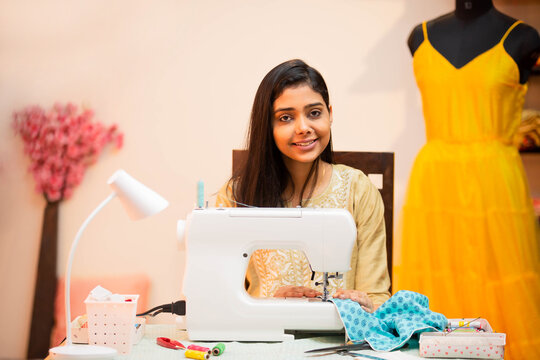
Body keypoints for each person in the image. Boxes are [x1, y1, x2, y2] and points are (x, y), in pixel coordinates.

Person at [395, 1, 540, 359]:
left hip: (494, 181)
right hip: (436, 181)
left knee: (497, 277)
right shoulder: (419, 37)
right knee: (436, 275)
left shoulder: (523, 37)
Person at [215, 59, 391, 312]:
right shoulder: (235, 196)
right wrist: (269, 303)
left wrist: (365, 303)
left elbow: (377, 298)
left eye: (315, 113)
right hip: (262, 335)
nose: (303, 128)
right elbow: (221, 297)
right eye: (286, 117)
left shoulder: (358, 190)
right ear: (268, 126)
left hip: (336, 339)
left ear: (330, 114)